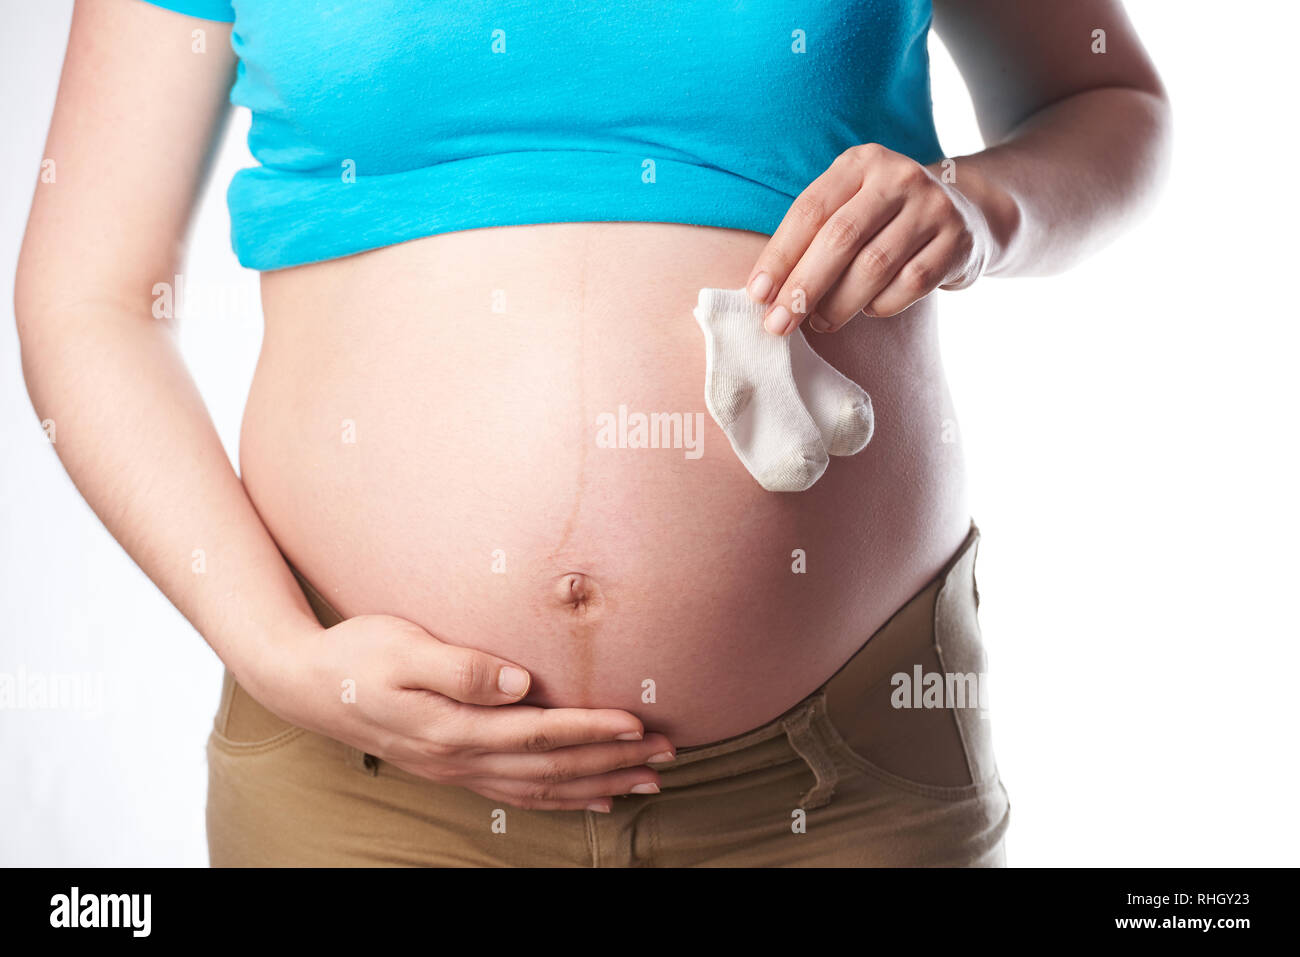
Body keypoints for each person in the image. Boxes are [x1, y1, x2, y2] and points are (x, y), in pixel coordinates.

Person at [15, 0, 1169, 866]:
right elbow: (87, 296)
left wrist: (984, 206)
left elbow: (1108, 101)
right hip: (364, 790)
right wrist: (277, 653)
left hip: (838, 782)